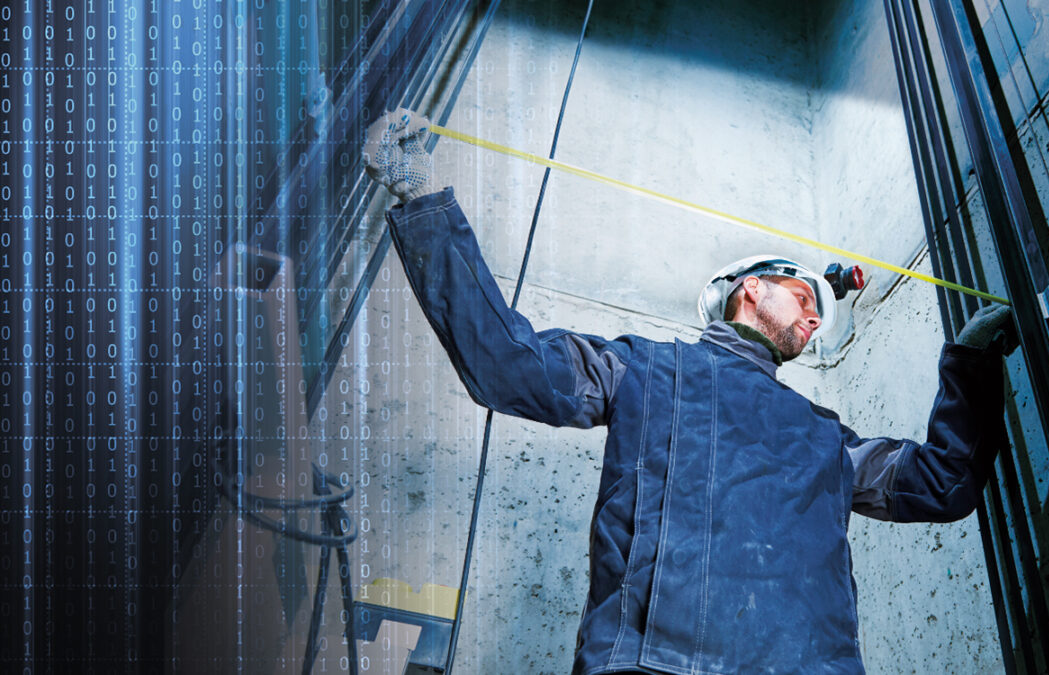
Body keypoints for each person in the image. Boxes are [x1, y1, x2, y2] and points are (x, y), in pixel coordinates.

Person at [361, 108, 1014, 675]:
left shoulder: (825, 439)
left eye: (820, 314)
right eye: (804, 296)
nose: (815, 319)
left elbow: (941, 482)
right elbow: (507, 364)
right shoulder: (644, 371)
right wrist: (418, 200)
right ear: (749, 288)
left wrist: (973, 365)